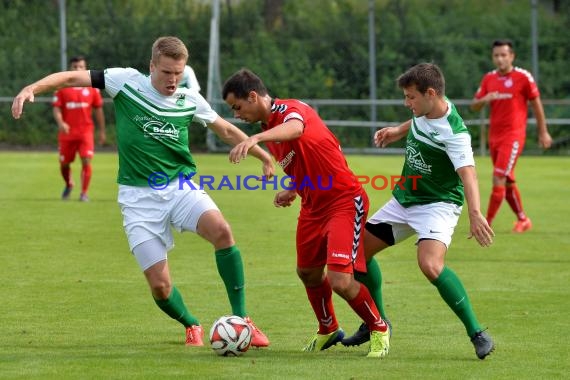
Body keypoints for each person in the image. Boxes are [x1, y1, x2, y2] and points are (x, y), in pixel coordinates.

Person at [12, 36, 274, 348]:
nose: (173, 80)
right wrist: (32, 88)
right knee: (161, 288)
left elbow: (227, 130)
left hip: (179, 188)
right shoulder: (125, 82)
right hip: (137, 200)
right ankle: (191, 324)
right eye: (166, 72)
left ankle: (243, 320)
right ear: (151, 66)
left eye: (178, 72)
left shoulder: (189, 99)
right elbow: (71, 78)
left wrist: (263, 153)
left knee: (222, 231)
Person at [222, 68, 391, 358]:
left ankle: (379, 328)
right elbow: (306, 161)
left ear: (253, 96)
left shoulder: (291, 109)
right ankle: (328, 329)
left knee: (341, 281)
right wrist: (293, 188)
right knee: (308, 272)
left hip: (343, 201)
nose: (236, 114)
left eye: (237, 107)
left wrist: (255, 139)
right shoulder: (273, 136)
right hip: (313, 207)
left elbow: (297, 129)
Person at [341, 63, 496, 360]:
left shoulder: (455, 133)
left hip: (438, 206)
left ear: (431, 93)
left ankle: (477, 333)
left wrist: (475, 214)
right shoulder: (424, 111)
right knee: (357, 255)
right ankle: (378, 323)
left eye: (410, 97)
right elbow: (416, 123)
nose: (406, 103)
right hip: (404, 201)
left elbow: (469, 175)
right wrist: (396, 131)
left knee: (430, 265)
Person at [470, 39, 552, 233]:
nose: (500, 59)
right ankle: (523, 219)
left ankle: (485, 223)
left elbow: (536, 104)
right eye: (496, 55)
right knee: (506, 180)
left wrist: (543, 131)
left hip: (513, 135)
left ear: (511, 56)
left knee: (498, 177)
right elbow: (474, 106)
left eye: (503, 55)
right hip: (494, 137)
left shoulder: (523, 77)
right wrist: (484, 99)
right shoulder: (488, 78)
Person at [52, 55, 106, 202]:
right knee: (64, 163)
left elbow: (99, 110)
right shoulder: (62, 87)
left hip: (85, 132)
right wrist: (61, 122)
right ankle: (69, 183)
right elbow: (56, 108)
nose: (78, 69)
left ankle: (84, 193)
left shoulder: (92, 88)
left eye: (81, 67)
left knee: (86, 160)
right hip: (67, 133)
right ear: (70, 68)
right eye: (75, 67)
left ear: (85, 68)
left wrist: (102, 131)